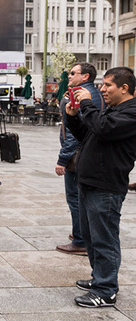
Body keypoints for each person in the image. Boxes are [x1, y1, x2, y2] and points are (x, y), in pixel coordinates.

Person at [66, 66, 136, 308]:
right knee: (93, 239)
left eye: (108, 85)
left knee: (104, 239)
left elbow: (104, 128)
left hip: (106, 186)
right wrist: (73, 115)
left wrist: (87, 104)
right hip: (90, 182)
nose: (102, 89)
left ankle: (106, 290)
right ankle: (100, 278)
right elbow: (88, 134)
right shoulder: (114, 110)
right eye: (103, 85)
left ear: (124, 88)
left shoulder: (132, 112)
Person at [54, 62, 104, 256]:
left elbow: (77, 132)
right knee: (79, 198)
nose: (70, 76)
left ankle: (80, 240)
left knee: (75, 198)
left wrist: (62, 159)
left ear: (85, 76)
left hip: (78, 155)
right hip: (86, 153)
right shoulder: (90, 93)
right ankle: (82, 234)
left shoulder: (84, 95)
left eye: (73, 73)